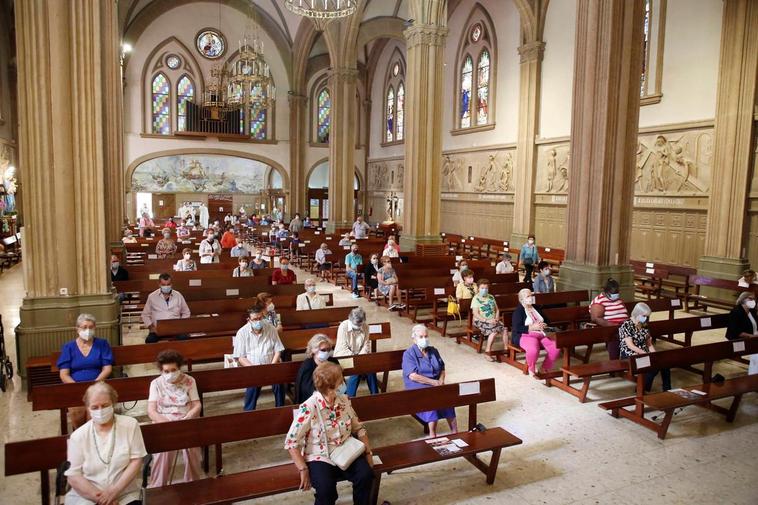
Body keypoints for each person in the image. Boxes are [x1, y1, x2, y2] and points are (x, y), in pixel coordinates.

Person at [285, 362, 374, 505]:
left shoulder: (344, 400)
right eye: (341, 381)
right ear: (330, 388)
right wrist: (303, 468)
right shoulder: (309, 407)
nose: (344, 384)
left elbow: (359, 428)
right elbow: (291, 441)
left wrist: (368, 453)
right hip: (319, 455)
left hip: (345, 449)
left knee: (365, 475)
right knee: (326, 490)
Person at [64, 381, 147, 505]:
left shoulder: (130, 425)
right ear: (88, 408)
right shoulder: (78, 436)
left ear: (113, 404)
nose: (100, 410)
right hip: (86, 498)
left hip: (124, 494)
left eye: (105, 405)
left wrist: (114, 491)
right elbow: (73, 475)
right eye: (95, 407)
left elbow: (136, 460)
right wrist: (101, 498)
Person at [147, 350, 203, 487]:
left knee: (191, 449)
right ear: (161, 370)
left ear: (179, 368)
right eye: (166, 371)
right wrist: (168, 424)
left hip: (185, 419)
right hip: (163, 421)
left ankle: (192, 484)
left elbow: (197, 404)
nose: (170, 374)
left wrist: (189, 416)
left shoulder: (189, 381)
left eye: (174, 370)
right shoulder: (156, 384)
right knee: (163, 452)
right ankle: (158, 487)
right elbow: (151, 411)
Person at [57, 314, 114, 428]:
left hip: (98, 385)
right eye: (84, 327)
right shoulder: (68, 347)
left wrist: (94, 385)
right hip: (74, 387)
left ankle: (97, 435)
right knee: (77, 414)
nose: (88, 330)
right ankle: (80, 437)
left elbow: (107, 368)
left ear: (95, 328)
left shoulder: (102, 344)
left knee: (95, 414)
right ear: (77, 329)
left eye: (91, 327)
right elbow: (64, 374)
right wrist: (77, 388)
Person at [402, 324, 458, 438]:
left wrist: (441, 380)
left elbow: (442, 368)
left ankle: (455, 431)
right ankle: (433, 434)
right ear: (414, 338)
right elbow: (413, 376)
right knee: (431, 400)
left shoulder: (433, 350)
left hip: (435, 384)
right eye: (421, 337)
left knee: (448, 398)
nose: (424, 339)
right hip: (417, 386)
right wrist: (433, 382)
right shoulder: (409, 354)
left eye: (426, 336)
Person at [233, 304, 285, 410]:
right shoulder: (242, 333)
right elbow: (240, 357)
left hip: (271, 364)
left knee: (279, 383)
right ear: (249, 320)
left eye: (260, 318)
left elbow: (278, 350)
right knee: (252, 389)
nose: (258, 321)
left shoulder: (271, 329)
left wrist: (272, 366)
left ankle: (280, 409)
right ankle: (249, 412)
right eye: (255, 319)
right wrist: (255, 370)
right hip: (253, 368)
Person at [619, 303, 672, 391]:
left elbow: (649, 343)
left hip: (643, 352)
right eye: (644, 316)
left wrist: (654, 355)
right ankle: (642, 388)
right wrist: (644, 353)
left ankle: (667, 389)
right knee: (653, 367)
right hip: (630, 354)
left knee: (664, 363)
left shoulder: (643, 324)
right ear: (637, 313)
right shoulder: (626, 325)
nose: (646, 318)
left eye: (647, 316)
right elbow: (630, 345)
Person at [511, 288, 561, 376]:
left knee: (556, 347)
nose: (531, 298)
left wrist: (544, 324)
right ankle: (531, 368)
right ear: (522, 299)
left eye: (531, 295)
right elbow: (516, 328)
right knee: (533, 349)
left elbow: (547, 320)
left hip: (541, 334)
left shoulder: (536, 307)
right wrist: (531, 327)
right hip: (526, 336)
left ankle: (544, 367)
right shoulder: (518, 311)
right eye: (528, 296)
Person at [334, 308, 378, 396]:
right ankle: (350, 397)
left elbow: (366, 344)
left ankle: (375, 395)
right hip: (344, 356)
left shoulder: (365, 326)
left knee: (371, 368)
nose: (359, 327)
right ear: (350, 319)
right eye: (356, 325)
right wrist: (357, 359)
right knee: (357, 370)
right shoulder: (343, 326)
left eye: (360, 324)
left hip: (360, 356)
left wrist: (361, 356)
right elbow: (343, 347)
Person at [141, 273, 191, 343]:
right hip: (157, 329)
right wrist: (151, 327)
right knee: (150, 340)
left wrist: (181, 325)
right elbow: (145, 315)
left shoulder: (178, 295)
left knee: (185, 338)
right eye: (163, 285)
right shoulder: (152, 296)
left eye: (168, 284)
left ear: (171, 284)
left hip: (176, 328)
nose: (166, 287)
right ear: (159, 284)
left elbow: (186, 312)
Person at [590, 278, 629, 359]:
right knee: (617, 336)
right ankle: (616, 363)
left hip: (622, 327)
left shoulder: (618, 299)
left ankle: (630, 360)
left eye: (617, 292)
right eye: (614, 293)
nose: (616, 294)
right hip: (610, 328)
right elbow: (596, 318)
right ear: (606, 291)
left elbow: (625, 313)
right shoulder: (599, 301)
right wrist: (614, 326)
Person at [295, 334, 340, 403]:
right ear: (313, 350)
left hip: (335, 396)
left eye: (328, 350)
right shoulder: (307, 366)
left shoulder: (333, 362)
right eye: (323, 350)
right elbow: (307, 390)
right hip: (314, 401)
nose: (326, 352)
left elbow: (341, 381)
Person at [471, 278, 507, 361]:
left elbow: (497, 309)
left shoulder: (491, 297)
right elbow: (475, 313)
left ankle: (506, 349)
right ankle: (488, 352)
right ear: (478, 288)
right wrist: (486, 320)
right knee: (494, 331)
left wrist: (497, 318)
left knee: (504, 329)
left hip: (493, 319)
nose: (484, 290)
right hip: (480, 320)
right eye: (482, 288)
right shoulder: (476, 299)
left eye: (486, 288)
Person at [726, 292, 758, 374]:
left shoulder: (752, 311)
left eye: (754, 299)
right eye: (750, 298)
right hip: (738, 339)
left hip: (753, 337)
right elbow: (735, 331)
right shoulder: (736, 311)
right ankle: (753, 374)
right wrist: (752, 336)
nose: (753, 301)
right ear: (743, 299)